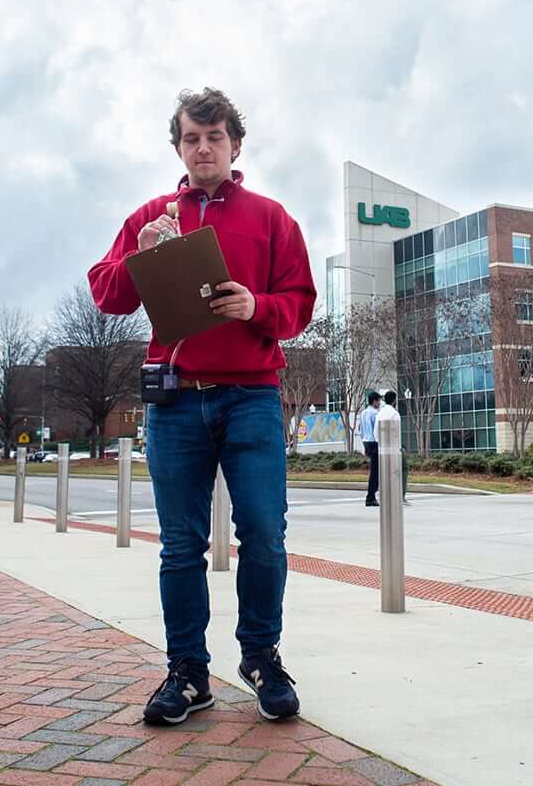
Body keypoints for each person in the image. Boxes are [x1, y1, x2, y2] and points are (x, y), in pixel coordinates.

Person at [88, 88, 316, 726]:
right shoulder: (152, 215)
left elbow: (299, 301)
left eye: (215, 137)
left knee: (265, 536)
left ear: (235, 145)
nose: (204, 147)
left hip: (251, 397)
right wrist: (141, 256)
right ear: (178, 147)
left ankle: (260, 656)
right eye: (192, 138)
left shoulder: (272, 218)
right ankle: (188, 671)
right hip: (177, 401)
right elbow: (106, 296)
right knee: (179, 546)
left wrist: (257, 307)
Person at [375, 390, 409, 505]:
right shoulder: (395, 414)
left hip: (382, 447)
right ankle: (401, 496)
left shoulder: (379, 414)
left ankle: (385, 495)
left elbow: (376, 432)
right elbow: (396, 432)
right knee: (403, 468)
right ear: (395, 400)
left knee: (385, 472)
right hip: (394, 447)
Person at [359, 392, 382, 506]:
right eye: (379, 401)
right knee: (375, 472)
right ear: (374, 401)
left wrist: (364, 445)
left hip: (366, 442)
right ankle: (371, 496)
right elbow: (376, 430)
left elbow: (361, 430)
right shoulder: (375, 413)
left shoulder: (363, 413)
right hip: (374, 442)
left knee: (374, 471)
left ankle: (371, 495)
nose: (379, 403)